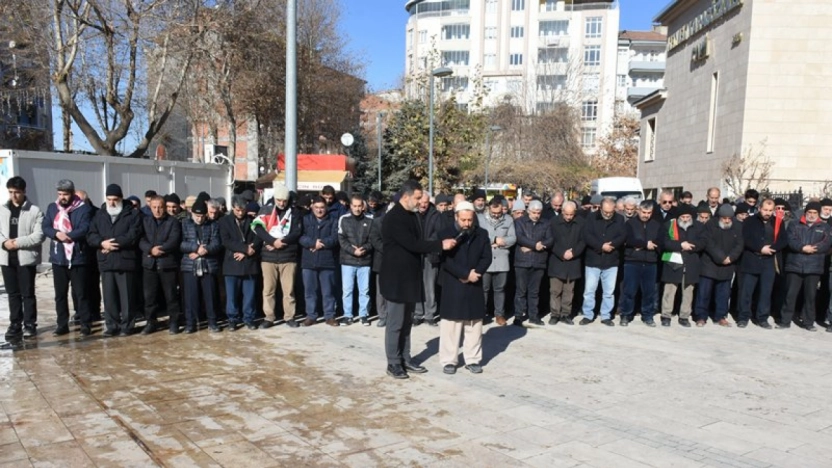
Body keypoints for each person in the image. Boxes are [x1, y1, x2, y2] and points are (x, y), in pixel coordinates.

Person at [380, 180, 456, 379]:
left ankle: (405, 358)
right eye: (417, 197)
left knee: (407, 323)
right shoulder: (394, 217)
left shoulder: (412, 215)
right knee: (396, 323)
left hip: (410, 277)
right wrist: (440, 245)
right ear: (405, 197)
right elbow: (412, 244)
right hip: (396, 279)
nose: (421, 201)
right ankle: (393, 362)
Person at [437, 202, 492, 375]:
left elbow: (487, 257)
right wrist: (464, 274)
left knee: (474, 324)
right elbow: (445, 260)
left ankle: (473, 359)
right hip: (453, 282)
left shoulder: (482, 234)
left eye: (470, 220)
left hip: (474, 282)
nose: (467, 223)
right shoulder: (445, 234)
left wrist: (476, 273)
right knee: (451, 325)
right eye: (463, 220)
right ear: (456, 217)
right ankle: (449, 360)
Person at [87, 184, 143, 336]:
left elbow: (133, 236)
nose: (112, 203)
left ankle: (127, 326)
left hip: (125, 261)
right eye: (109, 199)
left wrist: (111, 244)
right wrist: (101, 243)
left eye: (115, 199)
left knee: (127, 297)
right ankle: (112, 325)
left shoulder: (132, 214)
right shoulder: (100, 214)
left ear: (121, 198)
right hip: (106, 261)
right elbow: (91, 235)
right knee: (109, 297)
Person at [43, 180, 94, 337]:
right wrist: (56, 234)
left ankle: (85, 324)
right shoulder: (52, 208)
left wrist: (68, 236)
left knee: (81, 293)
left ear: (72, 193)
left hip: (77, 257)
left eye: (65, 194)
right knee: (60, 294)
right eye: (60, 194)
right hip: (59, 258)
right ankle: (62, 324)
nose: (62, 197)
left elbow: (85, 228)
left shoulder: (83, 209)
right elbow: (46, 226)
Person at [1, 177, 44, 339]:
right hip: (6, 259)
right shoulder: (2, 210)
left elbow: (38, 236)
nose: (14, 196)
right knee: (13, 294)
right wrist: (4, 243)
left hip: (26, 259)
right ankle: (15, 324)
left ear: (24, 192)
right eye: (11, 192)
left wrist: (16, 243)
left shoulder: (34, 211)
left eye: (17, 192)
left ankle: (30, 324)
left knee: (27, 293)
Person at [252, 184, 301, 329]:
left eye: (284, 201)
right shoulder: (266, 210)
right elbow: (258, 228)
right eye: (279, 200)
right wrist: (272, 241)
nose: (282, 203)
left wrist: (280, 243)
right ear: (274, 199)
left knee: (289, 290)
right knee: (268, 290)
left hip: (288, 256)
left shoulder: (294, 212)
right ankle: (269, 317)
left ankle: (289, 316)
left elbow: (296, 232)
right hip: (268, 257)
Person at [778, 202, 832, 331]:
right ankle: (785, 321)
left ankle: (808, 322)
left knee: (810, 296)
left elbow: (826, 243)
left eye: (815, 213)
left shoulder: (825, 227)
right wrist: (802, 248)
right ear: (805, 212)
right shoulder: (794, 224)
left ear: (818, 214)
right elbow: (791, 239)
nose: (812, 215)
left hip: (814, 266)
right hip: (794, 264)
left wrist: (812, 248)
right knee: (790, 295)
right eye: (809, 212)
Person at [738, 199, 788, 328]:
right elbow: (746, 239)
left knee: (766, 291)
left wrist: (772, 248)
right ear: (759, 208)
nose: (767, 213)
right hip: (752, 259)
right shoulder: (749, 221)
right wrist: (760, 248)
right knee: (747, 291)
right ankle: (743, 317)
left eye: (770, 210)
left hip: (769, 261)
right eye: (765, 210)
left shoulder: (778, 222)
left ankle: (762, 318)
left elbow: (783, 239)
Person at [138, 195, 182, 334]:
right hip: (149, 264)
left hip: (167, 264)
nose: (157, 210)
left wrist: (160, 249)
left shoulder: (173, 222)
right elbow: (141, 239)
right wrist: (150, 249)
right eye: (154, 207)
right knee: (149, 297)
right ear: (150, 207)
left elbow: (174, 240)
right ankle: (151, 322)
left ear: (165, 207)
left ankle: (174, 322)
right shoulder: (145, 221)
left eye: (160, 207)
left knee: (171, 296)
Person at [695, 204, 744, 327]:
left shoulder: (737, 226)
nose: (727, 221)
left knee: (723, 294)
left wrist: (731, 258)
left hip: (728, 264)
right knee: (704, 293)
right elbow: (708, 243)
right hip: (710, 263)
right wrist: (721, 257)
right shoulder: (710, 224)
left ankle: (721, 316)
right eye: (724, 218)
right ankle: (701, 316)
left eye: (729, 218)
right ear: (719, 217)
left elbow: (740, 244)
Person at [219, 195, 262, 331]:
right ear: (233, 208)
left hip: (249, 262)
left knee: (249, 294)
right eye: (237, 210)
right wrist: (244, 248)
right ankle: (232, 319)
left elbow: (258, 238)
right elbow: (226, 240)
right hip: (232, 262)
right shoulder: (224, 221)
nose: (240, 212)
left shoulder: (253, 220)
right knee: (231, 295)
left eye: (243, 210)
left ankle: (249, 318)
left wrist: (248, 251)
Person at [581, 197, 626, 326]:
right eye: (605, 212)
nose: (608, 214)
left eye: (610, 212)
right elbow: (587, 235)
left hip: (611, 260)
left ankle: (606, 315)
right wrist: (601, 246)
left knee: (609, 292)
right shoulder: (591, 217)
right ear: (600, 208)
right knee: (589, 291)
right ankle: (588, 314)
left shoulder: (619, 219)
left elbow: (622, 236)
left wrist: (612, 245)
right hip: (593, 259)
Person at [180, 199, 222, 333]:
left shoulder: (213, 225)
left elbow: (217, 243)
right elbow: (181, 243)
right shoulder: (184, 224)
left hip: (208, 263)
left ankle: (212, 322)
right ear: (191, 213)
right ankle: (190, 323)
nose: (199, 219)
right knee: (190, 296)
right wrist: (195, 247)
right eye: (197, 216)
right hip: (189, 264)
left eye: (202, 216)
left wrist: (204, 250)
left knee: (210, 295)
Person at [659, 205, 704, 327]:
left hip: (691, 262)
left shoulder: (698, 226)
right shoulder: (670, 225)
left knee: (688, 292)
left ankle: (684, 316)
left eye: (687, 217)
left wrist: (690, 246)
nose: (685, 219)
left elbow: (703, 242)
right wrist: (680, 245)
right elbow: (665, 242)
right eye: (683, 217)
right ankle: (666, 315)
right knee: (669, 291)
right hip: (673, 262)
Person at [618, 201, 662, 327]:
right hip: (632, 262)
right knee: (629, 291)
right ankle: (626, 314)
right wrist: (645, 244)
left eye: (649, 213)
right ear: (638, 210)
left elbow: (660, 241)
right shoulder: (630, 224)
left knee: (649, 292)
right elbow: (628, 240)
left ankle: (647, 315)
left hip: (650, 262)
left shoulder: (656, 225)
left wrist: (640, 245)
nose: (646, 215)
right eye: (644, 212)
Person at [299, 196, 340, 327]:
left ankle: (329, 316)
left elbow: (335, 238)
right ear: (312, 207)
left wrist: (320, 244)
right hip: (309, 261)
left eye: (322, 207)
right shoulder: (305, 219)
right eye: (316, 207)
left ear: (326, 208)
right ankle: (311, 316)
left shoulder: (333, 220)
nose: (319, 210)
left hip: (327, 260)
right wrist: (312, 243)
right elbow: (301, 236)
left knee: (328, 291)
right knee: (310, 291)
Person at [513, 200, 553, 326]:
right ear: (528, 211)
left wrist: (533, 247)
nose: (536, 215)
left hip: (539, 261)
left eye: (538, 213)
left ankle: (533, 316)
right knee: (521, 291)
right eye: (534, 212)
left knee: (534, 292)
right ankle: (518, 316)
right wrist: (535, 245)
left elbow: (550, 239)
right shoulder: (519, 222)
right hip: (522, 261)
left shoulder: (546, 223)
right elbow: (519, 238)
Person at [478, 196, 517, 326]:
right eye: (493, 212)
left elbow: (513, 238)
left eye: (498, 213)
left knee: (500, 289)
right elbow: (479, 237)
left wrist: (502, 242)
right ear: (488, 209)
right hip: (485, 260)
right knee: (483, 289)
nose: (496, 215)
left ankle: (499, 314)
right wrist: (494, 240)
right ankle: (481, 314)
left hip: (501, 259)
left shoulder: (508, 219)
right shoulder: (480, 219)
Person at [338, 194, 374, 326]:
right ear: (350, 206)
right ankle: (348, 315)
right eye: (355, 206)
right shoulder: (343, 219)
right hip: (348, 261)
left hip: (364, 260)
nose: (357, 208)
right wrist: (353, 251)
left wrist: (364, 249)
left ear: (363, 206)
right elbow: (341, 239)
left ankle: (363, 315)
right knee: (347, 290)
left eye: (359, 206)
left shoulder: (370, 220)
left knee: (364, 291)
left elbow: (372, 239)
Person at [547, 201, 585, 325]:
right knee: (555, 290)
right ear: (562, 212)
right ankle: (555, 314)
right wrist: (561, 253)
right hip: (557, 260)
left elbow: (583, 241)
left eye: (571, 214)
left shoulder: (581, 223)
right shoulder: (553, 222)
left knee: (569, 291)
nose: (569, 217)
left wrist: (573, 253)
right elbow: (550, 240)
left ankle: (566, 314)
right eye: (566, 214)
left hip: (573, 261)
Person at [414, 192, 443, 326]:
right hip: (415, 254)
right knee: (417, 285)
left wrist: (425, 244)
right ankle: (418, 313)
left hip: (430, 255)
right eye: (420, 202)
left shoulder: (436, 215)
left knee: (429, 286)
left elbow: (438, 233)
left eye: (425, 202)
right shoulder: (412, 214)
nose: (423, 205)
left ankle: (430, 314)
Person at [369, 206, 387, 327]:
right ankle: (382, 315)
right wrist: (389, 249)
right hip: (381, 260)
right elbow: (375, 239)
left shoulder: (399, 222)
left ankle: (392, 315)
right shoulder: (377, 222)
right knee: (380, 291)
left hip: (396, 261)